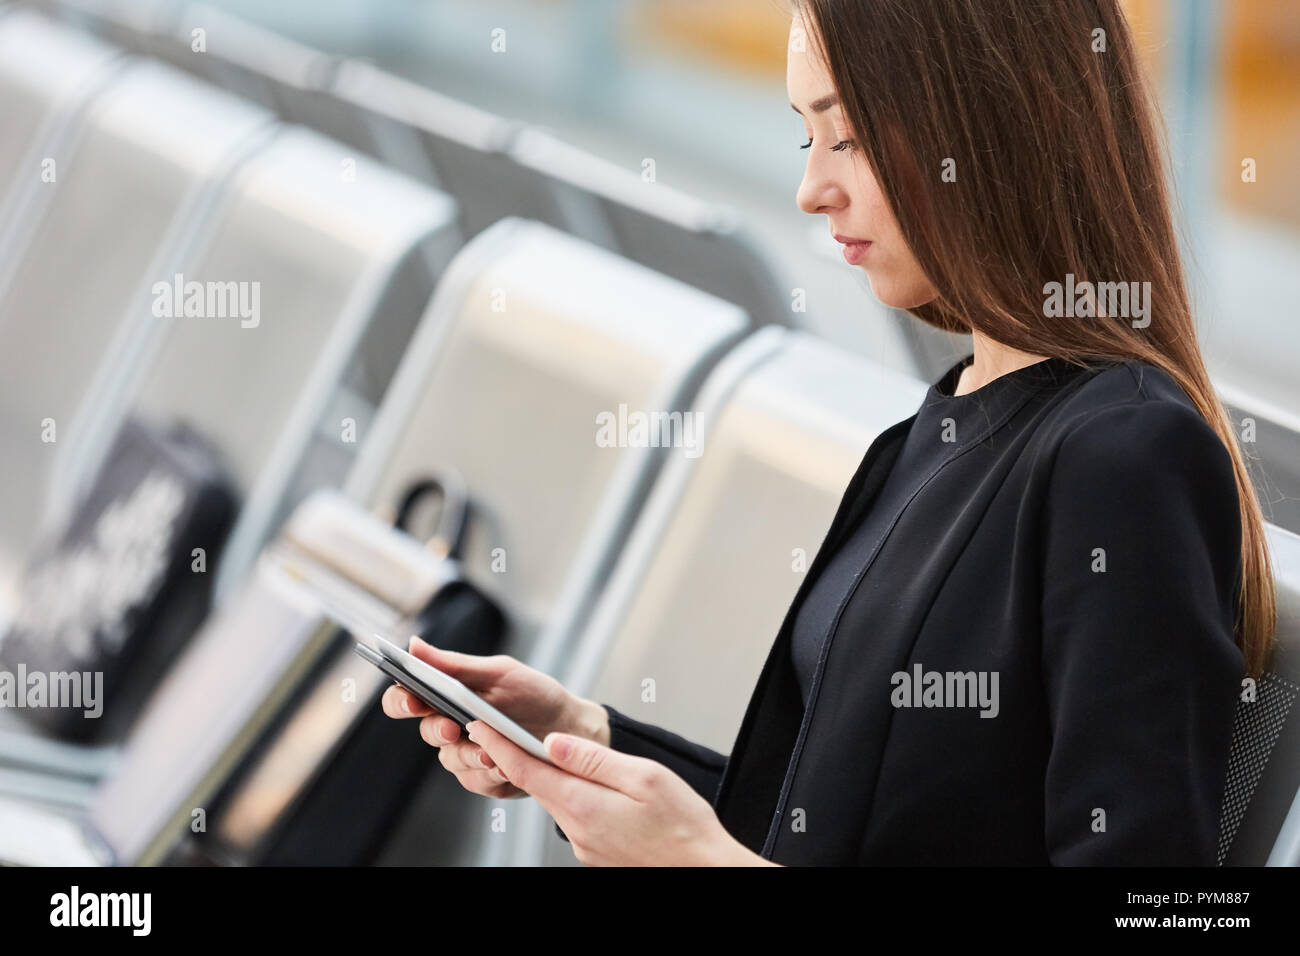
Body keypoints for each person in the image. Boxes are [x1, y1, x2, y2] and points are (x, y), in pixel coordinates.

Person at [382, 0, 1277, 866]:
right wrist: (586, 738)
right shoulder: (936, 428)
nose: (812, 189)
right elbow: (830, 823)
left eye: (846, 136)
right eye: (806, 138)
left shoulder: (1124, 457)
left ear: (989, 127)